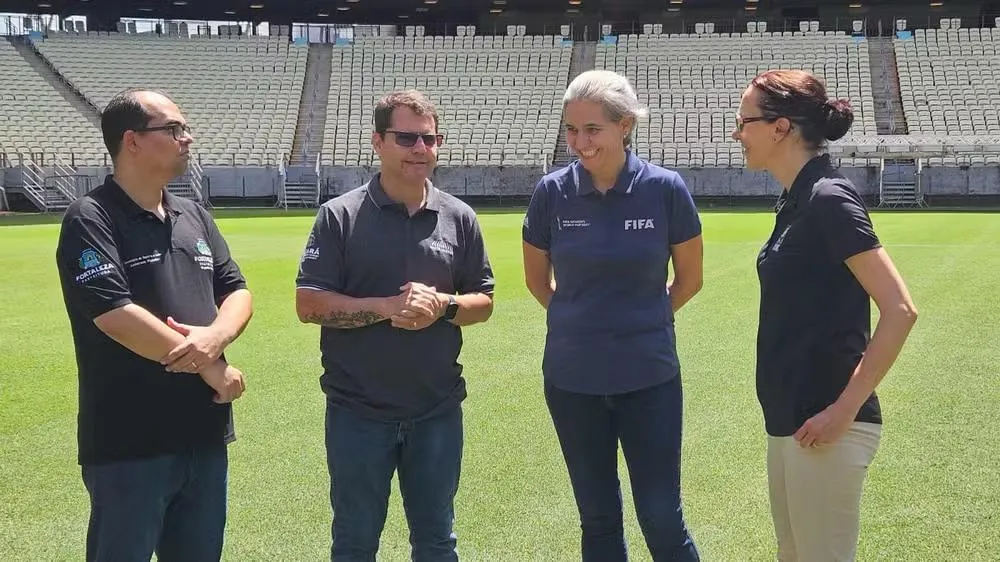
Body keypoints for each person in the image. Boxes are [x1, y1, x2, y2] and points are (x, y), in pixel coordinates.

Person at [295, 89, 495, 561]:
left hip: (437, 410)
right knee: (355, 542)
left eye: (430, 138)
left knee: (437, 541)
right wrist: (387, 307)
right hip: (358, 412)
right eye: (406, 138)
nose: (421, 149)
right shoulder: (340, 216)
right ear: (377, 142)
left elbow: (483, 301)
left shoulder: (459, 217)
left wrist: (443, 305)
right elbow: (308, 304)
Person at [55, 88, 253, 561]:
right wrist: (210, 366)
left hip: (203, 435)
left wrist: (216, 337)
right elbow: (117, 316)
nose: (187, 138)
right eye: (173, 129)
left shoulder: (193, 215)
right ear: (133, 141)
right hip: (130, 443)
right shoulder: (91, 218)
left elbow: (237, 290)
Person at [733, 69, 919, 561]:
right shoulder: (796, 198)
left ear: (780, 128)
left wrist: (844, 410)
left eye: (743, 121)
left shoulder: (828, 199)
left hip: (828, 423)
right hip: (792, 420)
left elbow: (900, 310)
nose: (736, 134)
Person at [522, 69, 703, 561]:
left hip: (649, 377)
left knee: (662, 515)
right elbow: (538, 282)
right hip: (571, 379)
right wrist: (583, 321)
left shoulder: (666, 189)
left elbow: (689, 279)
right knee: (598, 520)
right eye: (572, 130)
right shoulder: (550, 193)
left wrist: (643, 319)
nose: (579, 142)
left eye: (592, 129)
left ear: (625, 126)